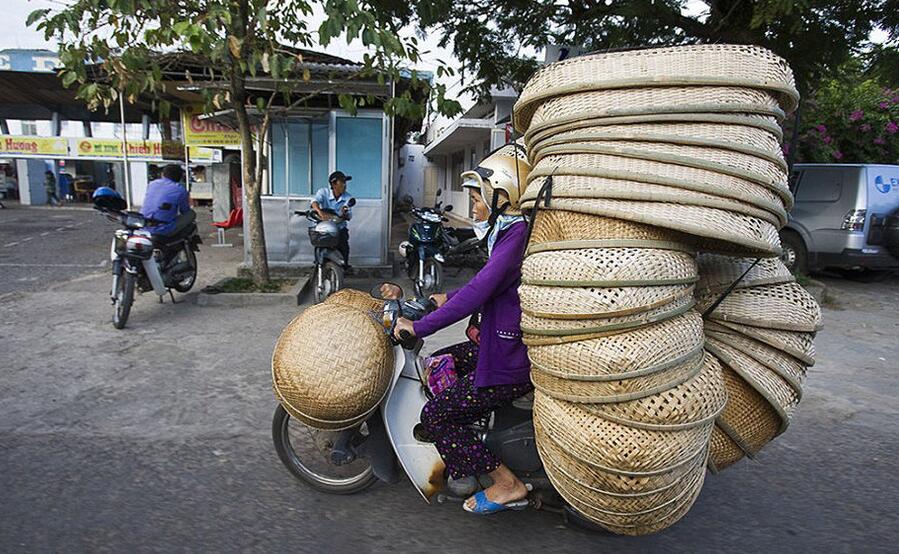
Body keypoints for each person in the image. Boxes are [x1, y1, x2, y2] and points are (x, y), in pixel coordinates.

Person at [383, 144, 533, 515]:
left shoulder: (516, 235)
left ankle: (506, 483)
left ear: (502, 195)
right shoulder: (509, 230)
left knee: (436, 416)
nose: (474, 206)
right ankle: (469, 443)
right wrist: (444, 297)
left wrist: (419, 326)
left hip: (507, 359)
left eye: (478, 197)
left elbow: (482, 289)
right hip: (497, 345)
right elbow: (490, 286)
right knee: (439, 363)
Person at [311, 170, 354, 272]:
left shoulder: (348, 197)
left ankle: (344, 267)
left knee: (344, 247)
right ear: (334, 184)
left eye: (345, 182)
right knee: (318, 244)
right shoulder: (323, 192)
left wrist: (345, 213)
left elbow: (349, 215)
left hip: (339, 228)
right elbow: (314, 201)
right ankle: (318, 264)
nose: (344, 185)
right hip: (324, 227)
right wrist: (319, 211)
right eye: (342, 182)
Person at [141, 164, 192, 236]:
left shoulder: (152, 184)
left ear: (162, 174)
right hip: (163, 228)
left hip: (143, 225)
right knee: (191, 214)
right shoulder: (181, 190)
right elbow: (184, 211)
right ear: (180, 177)